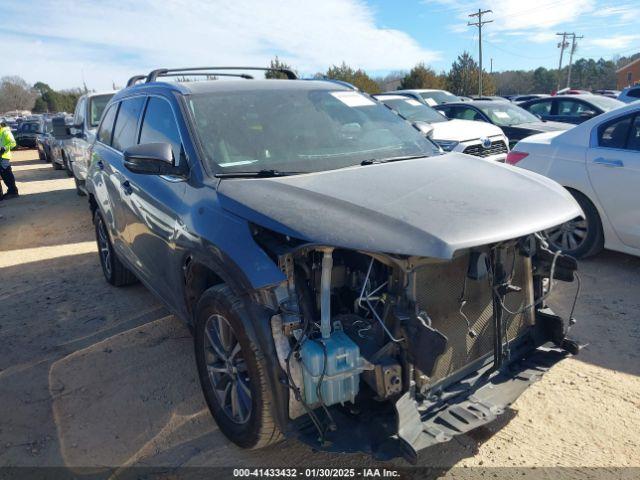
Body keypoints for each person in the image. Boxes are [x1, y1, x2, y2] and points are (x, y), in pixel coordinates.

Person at [0, 120, 19, 200]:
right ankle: (11, 191)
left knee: (6, 174)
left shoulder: (5, 132)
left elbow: (13, 143)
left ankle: (13, 191)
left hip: (4, 156)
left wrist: (4, 148)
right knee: (4, 175)